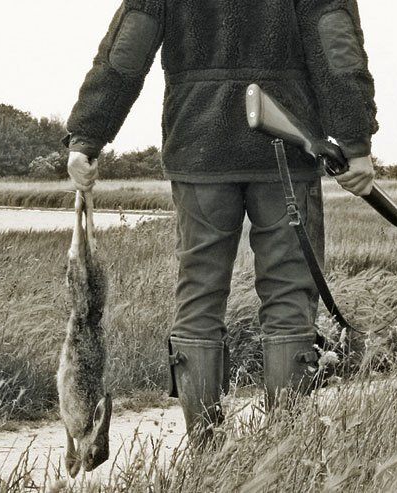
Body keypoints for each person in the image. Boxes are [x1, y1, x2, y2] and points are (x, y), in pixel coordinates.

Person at [63, 0, 378, 446]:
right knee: (289, 293)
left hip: (199, 146)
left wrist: (87, 136)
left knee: (199, 295)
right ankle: (285, 449)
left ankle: (206, 449)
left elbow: (124, 52)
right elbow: (338, 47)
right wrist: (355, 139)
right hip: (287, 149)